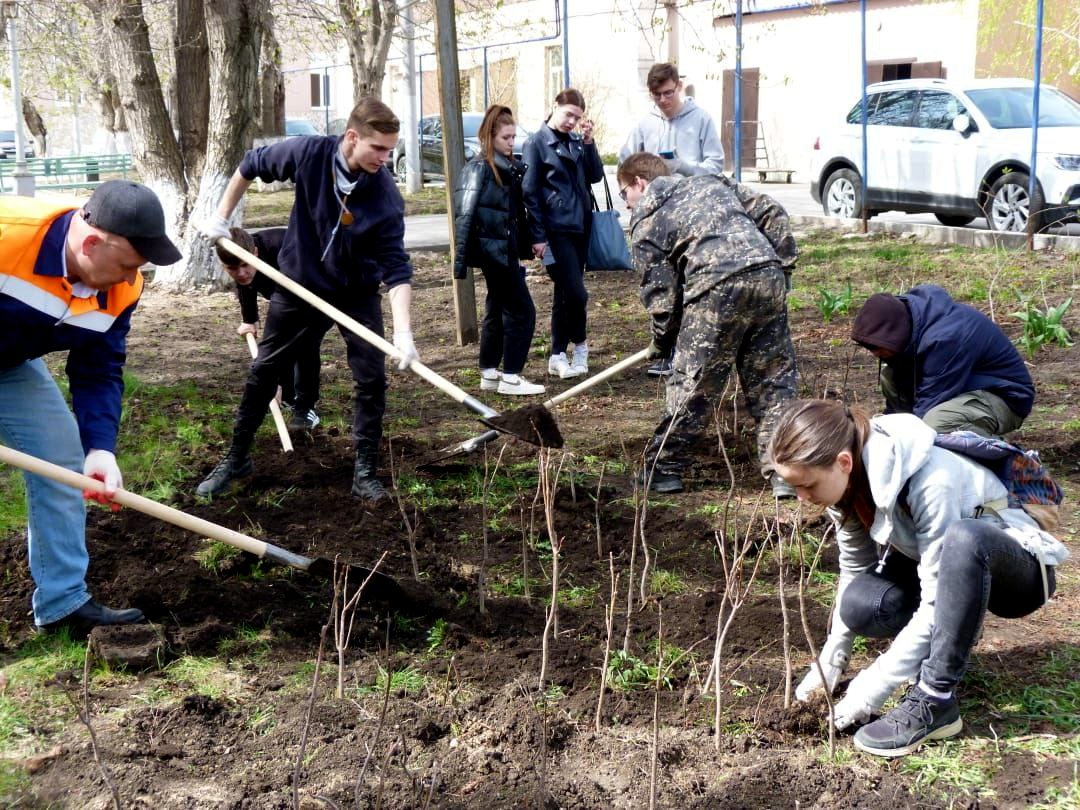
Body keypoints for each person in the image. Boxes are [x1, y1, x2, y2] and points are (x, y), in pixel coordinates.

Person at [769, 399, 1066, 757]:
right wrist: (830, 662)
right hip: (946, 566)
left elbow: (936, 601)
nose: (801, 498)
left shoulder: (931, 481)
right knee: (861, 604)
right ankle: (947, 638)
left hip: (1021, 574)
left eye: (807, 486)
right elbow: (854, 569)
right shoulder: (842, 484)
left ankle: (936, 699)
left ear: (842, 462)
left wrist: (874, 685)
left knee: (965, 540)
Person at [197, 97, 417, 503]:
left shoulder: (384, 196)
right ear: (352, 137)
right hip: (300, 282)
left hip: (356, 292)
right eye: (379, 148)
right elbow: (250, 165)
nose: (386, 158)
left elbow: (397, 268)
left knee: (372, 378)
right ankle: (237, 458)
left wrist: (404, 332)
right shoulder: (309, 153)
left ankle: (365, 471)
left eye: (390, 149)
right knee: (265, 369)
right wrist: (222, 216)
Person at [0, 180, 182, 633]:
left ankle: (62, 605)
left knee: (63, 461)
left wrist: (100, 448)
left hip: (8, 365)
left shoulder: (124, 286)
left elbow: (99, 367)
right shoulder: (8, 238)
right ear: (91, 242)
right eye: (125, 264)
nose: (129, 277)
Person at [617, 152, 798, 497]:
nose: (627, 204)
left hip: (716, 287)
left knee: (694, 383)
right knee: (773, 381)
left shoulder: (646, 220)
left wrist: (662, 338)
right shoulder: (710, 182)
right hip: (766, 274)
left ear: (639, 183)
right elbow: (772, 211)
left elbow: (662, 293)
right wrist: (782, 268)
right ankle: (785, 471)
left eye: (625, 193)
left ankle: (663, 469)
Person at [619, 63, 725, 379]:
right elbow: (626, 165)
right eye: (657, 95)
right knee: (665, 283)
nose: (664, 100)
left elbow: (716, 166)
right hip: (659, 217)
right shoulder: (643, 125)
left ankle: (687, 351)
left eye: (669, 93)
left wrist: (684, 166)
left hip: (692, 213)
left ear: (678, 87)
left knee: (691, 281)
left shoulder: (701, 119)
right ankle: (669, 349)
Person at [851, 285, 1034, 437]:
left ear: (894, 332)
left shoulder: (945, 338)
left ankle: (1003, 458)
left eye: (877, 347)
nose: (875, 354)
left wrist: (904, 437)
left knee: (935, 425)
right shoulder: (911, 323)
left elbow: (931, 401)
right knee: (889, 377)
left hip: (1004, 397)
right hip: (963, 388)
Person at [452, 105, 544, 396]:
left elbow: (517, 212)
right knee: (522, 312)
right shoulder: (481, 169)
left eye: (514, 136)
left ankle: (490, 372)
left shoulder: (506, 167)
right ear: (490, 137)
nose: (511, 142)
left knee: (496, 308)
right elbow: (465, 215)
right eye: (506, 137)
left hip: (504, 251)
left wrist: (527, 241)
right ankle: (511, 376)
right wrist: (467, 257)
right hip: (496, 253)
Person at [522, 88, 605, 380]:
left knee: (565, 294)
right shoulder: (536, 143)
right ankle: (580, 345)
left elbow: (595, 176)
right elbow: (529, 193)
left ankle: (557, 355)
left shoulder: (575, 142)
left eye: (577, 117)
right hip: (555, 230)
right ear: (554, 106)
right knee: (577, 293)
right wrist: (538, 235)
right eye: (568, 114)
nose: (572, 121)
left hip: (580, 227)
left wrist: (589, 142)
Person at [215, 226, 323, 429]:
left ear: (255, 252)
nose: (241, 273)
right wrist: (249, 318)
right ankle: (288, 399)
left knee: (305, 343)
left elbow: (285, 325)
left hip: (316, 289)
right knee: (285, 343)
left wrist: (276, 379)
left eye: (245, 264)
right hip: (284, 296)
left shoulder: (283, 250)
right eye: (232, 268)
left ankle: (306, 408)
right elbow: (245, 283)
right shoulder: (242, 265)